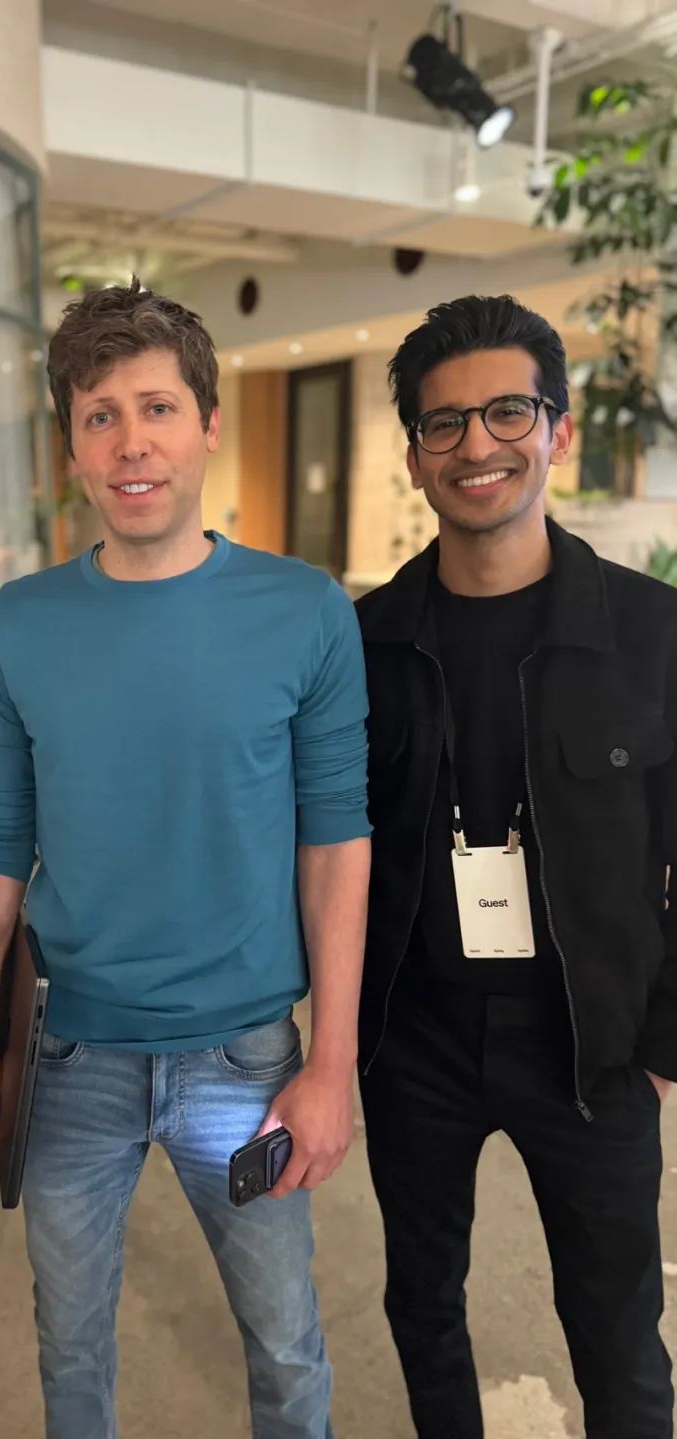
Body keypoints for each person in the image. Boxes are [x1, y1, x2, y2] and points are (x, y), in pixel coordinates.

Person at [0, 278, 371, 1439]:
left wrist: (331, 1063)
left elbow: (337, 838)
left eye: (157, 408)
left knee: (285, 1346)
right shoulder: (20, 623)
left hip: (245, 1055)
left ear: (207, 424)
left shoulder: (304, 610)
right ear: (72, 445)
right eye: (100, 415)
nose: (130, 442)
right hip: (69, 1054)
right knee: (70, 1346)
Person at [357, 294, 676, 1438]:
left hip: (592, 1046)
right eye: (444, 423)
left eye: (507, 412)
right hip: (416, 1041)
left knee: (617, 1326)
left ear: (559, 429)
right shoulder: (367, 641)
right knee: (421, 1300)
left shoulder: (653, 631)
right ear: (415, 456)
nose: (476, 444)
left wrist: (663, 1045)